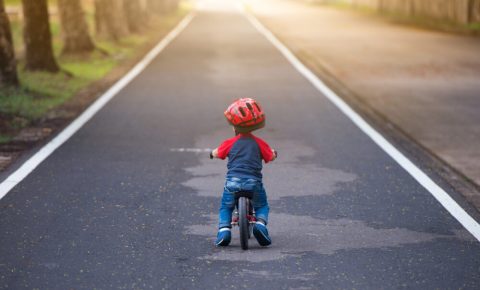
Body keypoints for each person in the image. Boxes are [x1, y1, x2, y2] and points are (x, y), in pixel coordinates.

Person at [210, 98, 277, 247]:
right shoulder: (260, 143)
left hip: (232, 183)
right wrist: (274, 154)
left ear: (234, 127)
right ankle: (260, 225)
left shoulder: (229, 143)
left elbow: (218, 153)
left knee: (226, 207)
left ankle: (224, 231)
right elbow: (270, 156)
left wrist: (211, 153)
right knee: (262, 205)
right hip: (253, 184)